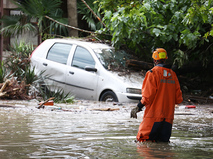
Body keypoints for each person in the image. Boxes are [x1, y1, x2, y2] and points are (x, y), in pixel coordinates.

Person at [131, 48, 183, 142]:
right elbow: (178, 99)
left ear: (155, 60)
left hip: (153, 117)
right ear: (165, 58)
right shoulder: (173, 75)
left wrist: (138, 107)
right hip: (168, 118)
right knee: (163, 145)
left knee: (143, 143)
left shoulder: (152, 73)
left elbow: (147, 97)